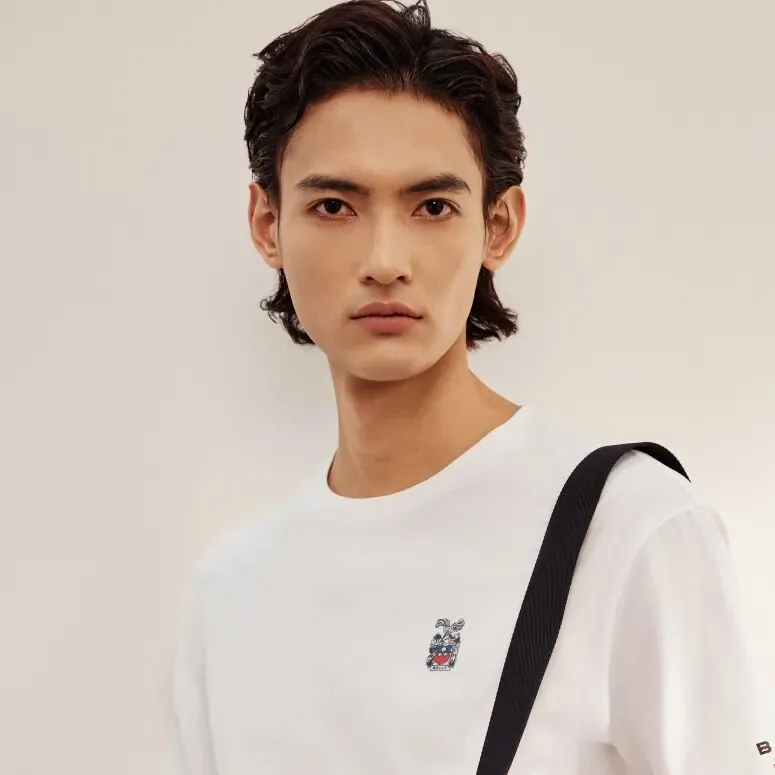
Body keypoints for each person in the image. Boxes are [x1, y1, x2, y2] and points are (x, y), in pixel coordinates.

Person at [170, 1, 774, 772]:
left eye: (431, 206)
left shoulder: (631, 529)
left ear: (498, 225)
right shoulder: (229, 590)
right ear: (267, 224)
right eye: (333, 206)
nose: (384, 260)